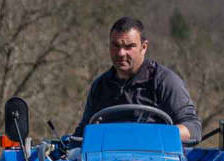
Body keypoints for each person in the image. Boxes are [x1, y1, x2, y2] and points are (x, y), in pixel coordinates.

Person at [76, 16, 200, 144]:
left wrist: (152, 135)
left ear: (144, 47)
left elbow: (193, 128)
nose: (121, 53)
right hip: (108, 160)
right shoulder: (100, 86)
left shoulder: (165, 82)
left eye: (129, 47)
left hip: (155, 160)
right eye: (115, 46)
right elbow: (82, 133)